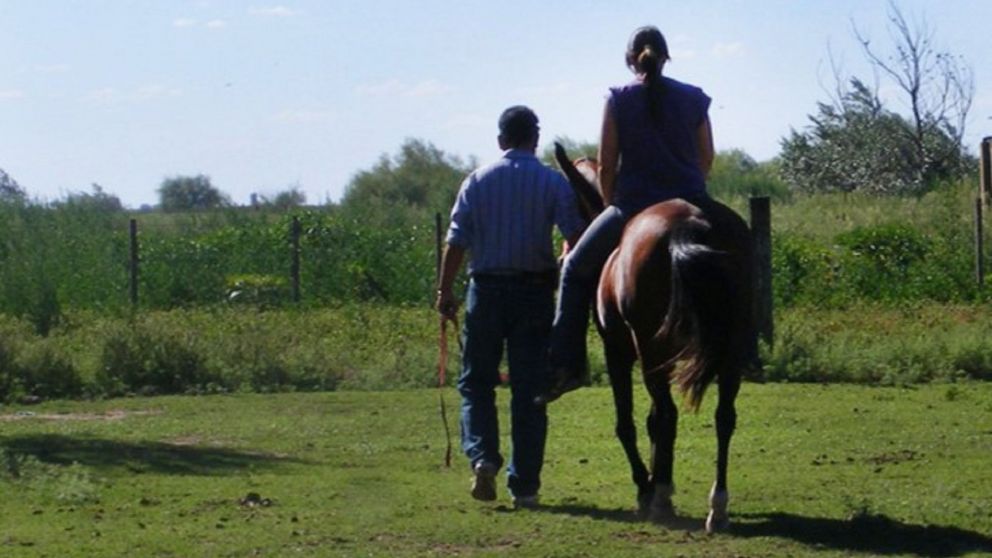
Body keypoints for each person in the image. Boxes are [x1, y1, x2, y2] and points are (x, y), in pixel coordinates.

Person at [542, 25, 715, 402]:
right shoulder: (696, 98)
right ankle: (746, 349)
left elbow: (606, 164)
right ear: (666, 58)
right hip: (693, 198)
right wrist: (691, 192)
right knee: (739, 248)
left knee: (572, 270)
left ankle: (564, 367)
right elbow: (706, 158)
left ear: (629, 60)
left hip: (635, 203)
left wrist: (610, 206)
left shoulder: (617, 98)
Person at [436, 106, 584, 507]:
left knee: (476, 383)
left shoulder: (477, 181)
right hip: (533, 294)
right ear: (534, 139)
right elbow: (576, 236)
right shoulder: (552, 183)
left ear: (501, 139)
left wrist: (444, 291)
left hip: (485, 291)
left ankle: (483, 458)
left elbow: (457, 241)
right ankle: (526, 487)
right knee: (530, 390)